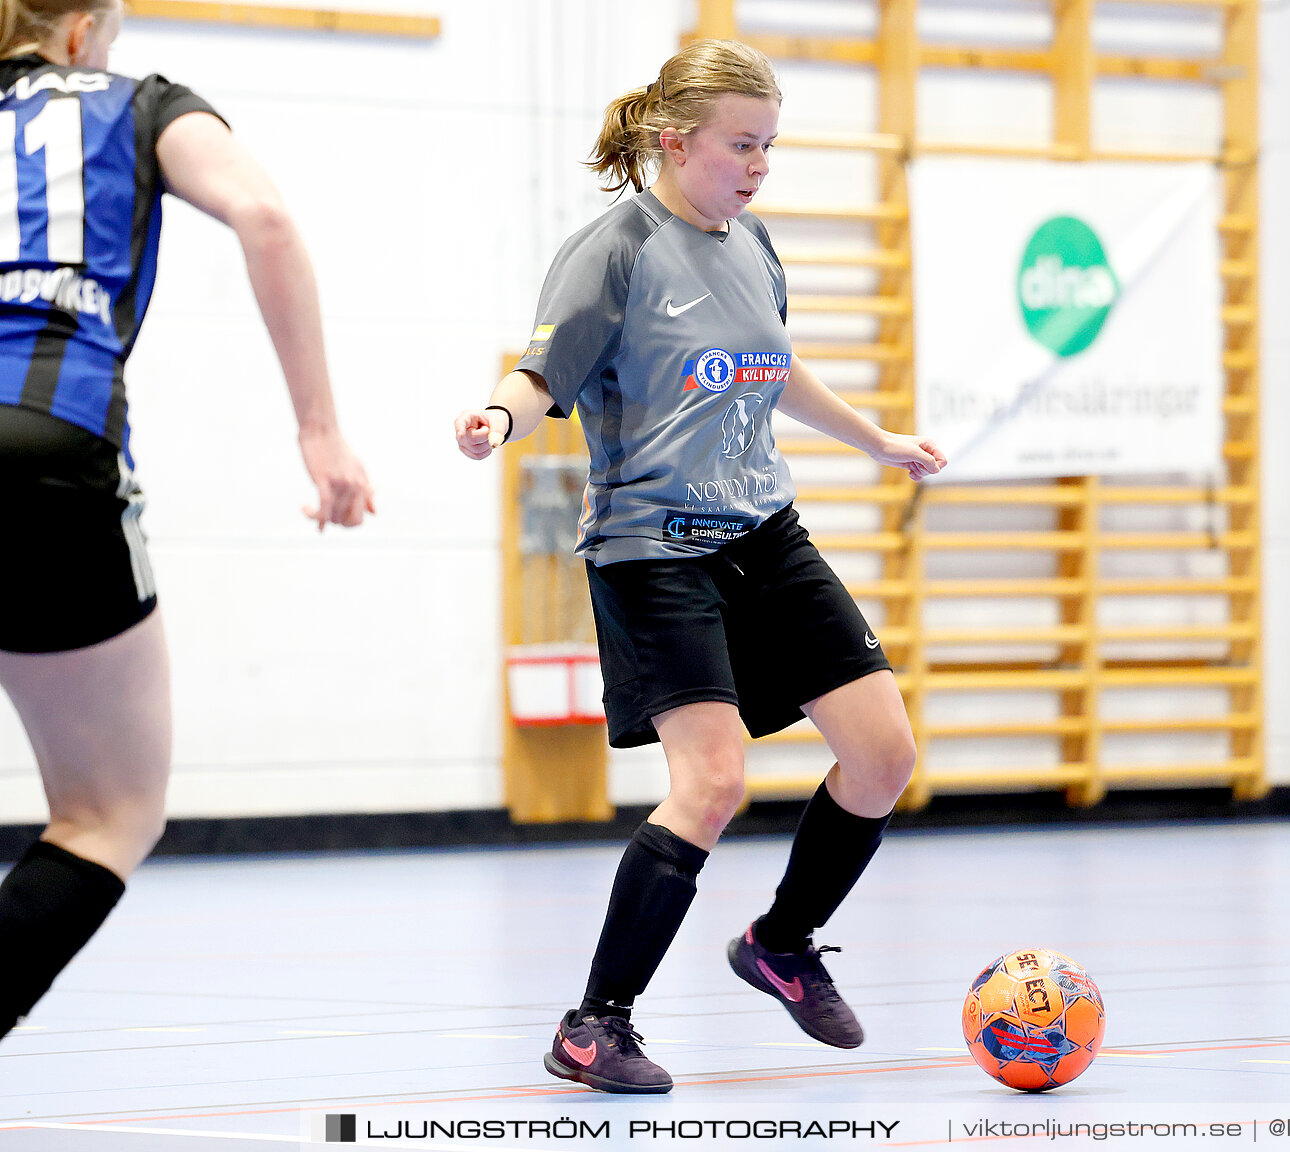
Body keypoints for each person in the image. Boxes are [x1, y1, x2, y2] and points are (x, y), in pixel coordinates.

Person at [454, 39, 945, 1094]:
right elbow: (546, 369)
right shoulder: (617, 250)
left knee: (883, 755)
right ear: (674, 140)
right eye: (740, 145)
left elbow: (774, 365)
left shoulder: (754, 240)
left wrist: (876, 439)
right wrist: (501, 415)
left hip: (764, 534)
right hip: (654, 551)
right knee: (712, 782)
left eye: (769, 144)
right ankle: (596, 1024)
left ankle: (783, 940)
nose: (758, 164)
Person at [0, 0, 374, 1039]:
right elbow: (267, 218)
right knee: (106, 813)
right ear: (82, 34)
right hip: (49, 450)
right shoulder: (143, 103)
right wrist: (320, 432)